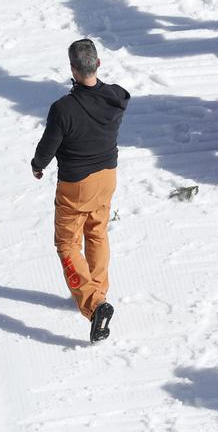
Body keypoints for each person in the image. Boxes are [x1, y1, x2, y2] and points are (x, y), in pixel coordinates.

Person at [30, 39, 129, 343]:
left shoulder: (63, 109)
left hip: (76, 184)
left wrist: (38, 164)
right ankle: (97, 290)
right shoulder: (116, 96)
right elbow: (117, 95)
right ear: (97, 64)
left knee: (67, 243)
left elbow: (48, 146)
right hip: (107, 176)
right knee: (97, 232)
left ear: (73, 69)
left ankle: (93, 303)